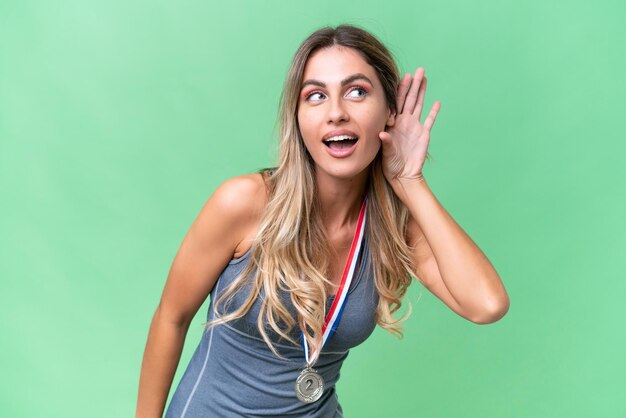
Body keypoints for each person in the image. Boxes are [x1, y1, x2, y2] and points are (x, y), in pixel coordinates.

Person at [135, 23, 509, 418]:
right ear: (297, 118)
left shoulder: (392, 229)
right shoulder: (245, 202)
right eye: (315, 96)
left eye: (357, 92)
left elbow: (486, 304)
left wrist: (409, 181)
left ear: (389, 114)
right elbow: (171, 317)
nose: (336, 113)